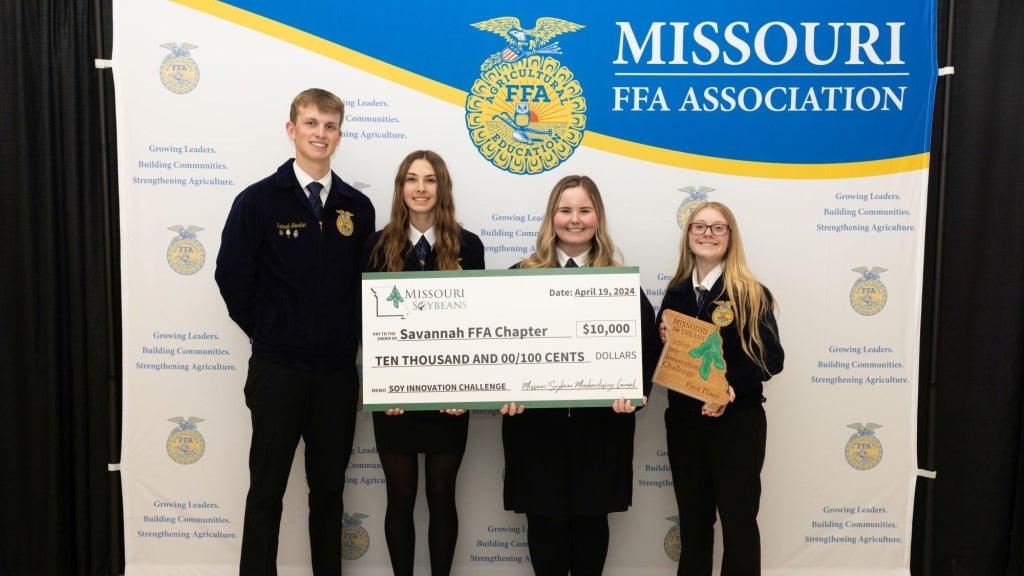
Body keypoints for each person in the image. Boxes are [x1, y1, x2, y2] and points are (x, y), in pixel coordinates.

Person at [214, 88, 375, 576]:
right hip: (277, 370)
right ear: (292, 130)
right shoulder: (258, 200)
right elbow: (231, 277)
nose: (319, 134)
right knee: (266, 490)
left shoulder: (357, 207)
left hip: (335, 376)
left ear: (339, 135)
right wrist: (271, 331)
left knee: (328, 494)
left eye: (329, 126)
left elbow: (365, 288)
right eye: (310, 124)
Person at [500, 175, 660, 575]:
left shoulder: (620, 283)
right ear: (551, 216)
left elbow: (646, 350)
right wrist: (502, 389)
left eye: (584, 210)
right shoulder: (518, 277)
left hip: (600, 429)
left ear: (598, 217)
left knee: (592, 525)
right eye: (566, 210)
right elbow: (496, 346)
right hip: (536, 429)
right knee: (544, 524)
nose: (575, 220)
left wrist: (635, 393)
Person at [364, 150, 485, 575]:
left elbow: (477, 326)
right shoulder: (377, 246)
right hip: (394, 398)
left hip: (449, 399)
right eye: (411, 180)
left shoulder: (468, 246)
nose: (420, 188)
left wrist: (463, 390)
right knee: (399, 497)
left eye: (429, 180)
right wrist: (383, 387)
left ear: (442, 188)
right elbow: (370, 326)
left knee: (441, 495)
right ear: (400, 188)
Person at [657, 201, 784, 576]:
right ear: (688, 235)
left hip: (736, 424)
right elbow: (669, 359)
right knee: (694, 525)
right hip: (684, 423)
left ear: (730, 237)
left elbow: (772, 360)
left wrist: (731, 390)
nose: (707, 234)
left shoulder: (749, 292)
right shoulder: (677, 292)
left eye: (717, 228)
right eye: (699, 227)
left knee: (738, 524)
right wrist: (663, 338)